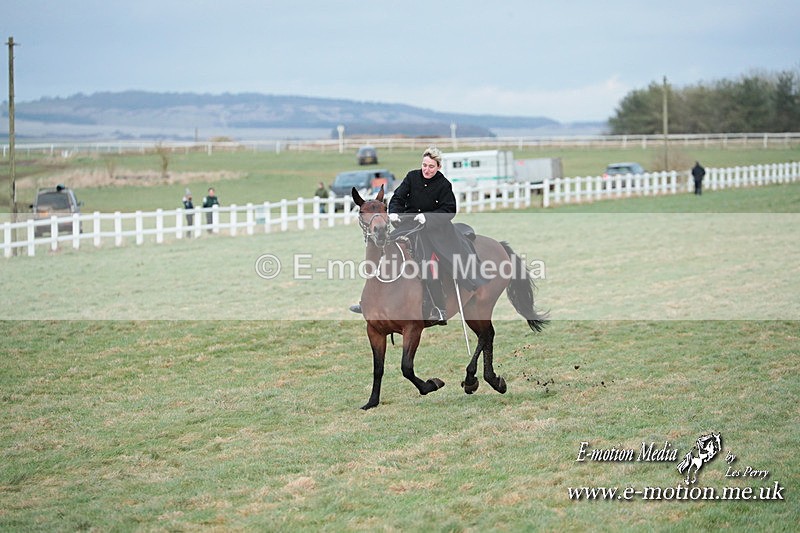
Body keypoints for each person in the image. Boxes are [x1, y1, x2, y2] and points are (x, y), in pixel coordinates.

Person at [350, 146, 482, 325]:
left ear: (438, 167)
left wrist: (427, 217)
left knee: (429, 263)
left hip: (435, 231)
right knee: (383, 252)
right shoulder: (412, 177)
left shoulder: (444, 185)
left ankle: (438, 308)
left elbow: (449, 210)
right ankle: (368, 301)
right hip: (408, 226)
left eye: (431, 166)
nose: (427, 169)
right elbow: (398, 198)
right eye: (424, 165)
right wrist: (395, 212)